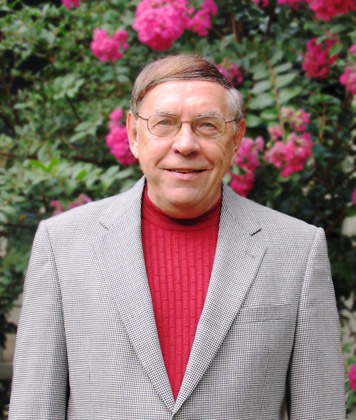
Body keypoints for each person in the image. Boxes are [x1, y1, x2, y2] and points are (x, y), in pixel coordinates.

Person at [9, 54, 345, 420]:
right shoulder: (63, 245)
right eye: (164, 123)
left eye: (207, 125)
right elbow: (34, 409)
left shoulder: (297, 250)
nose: (185, 144)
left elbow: (320, 410)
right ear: (134, 135)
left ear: (236, 138)